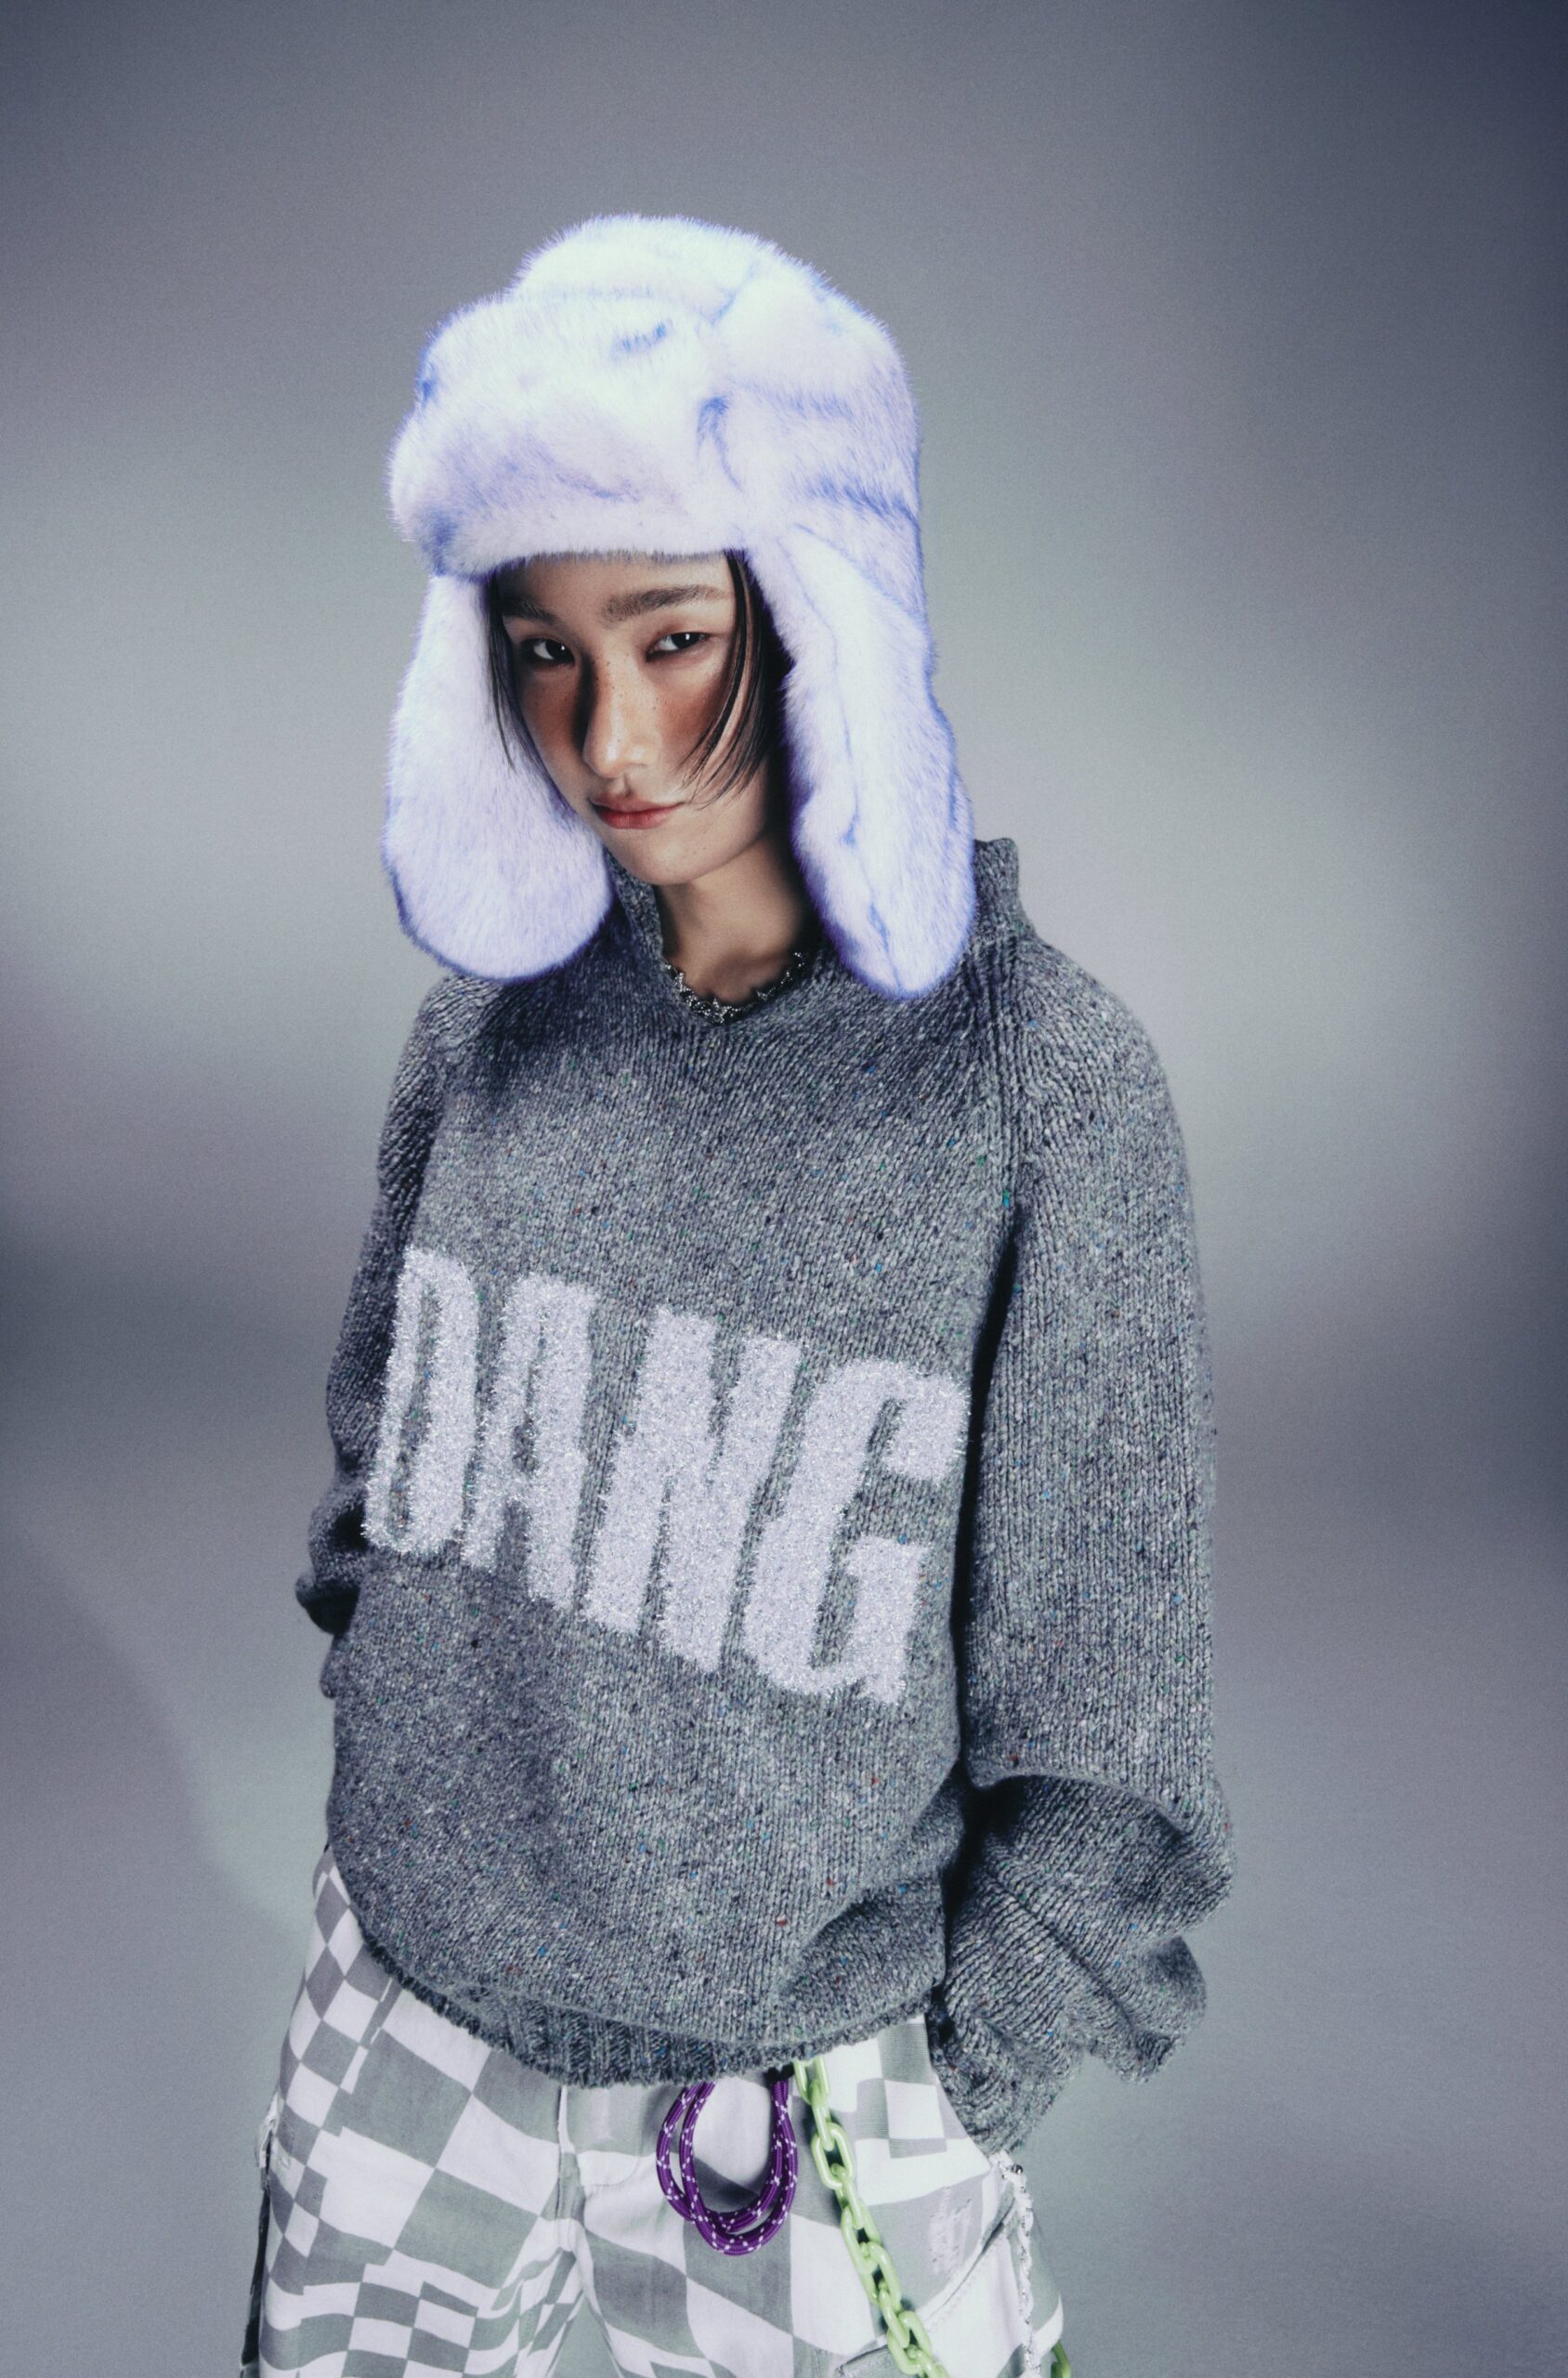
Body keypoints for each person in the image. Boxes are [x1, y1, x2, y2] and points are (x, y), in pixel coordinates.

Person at [242, 214, 1235, 2378]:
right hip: (402, 2051)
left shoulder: (1045, 1095)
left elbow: (1113, 1720)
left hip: (806, 2126)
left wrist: (946, 2083)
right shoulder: (480, 1027)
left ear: (819, 608)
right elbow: (377, 1492)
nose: (608, 733)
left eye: (674, 636)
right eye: (543, 648)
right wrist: (406, 1808)